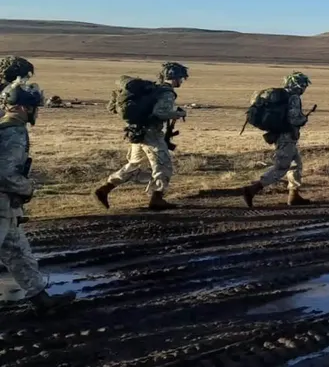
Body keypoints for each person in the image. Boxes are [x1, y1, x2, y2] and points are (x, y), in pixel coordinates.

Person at [0, 78, 76, 313]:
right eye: (34, 107)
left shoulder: (6, 127)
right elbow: (4, 173)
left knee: (18, 251)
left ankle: (40, 298)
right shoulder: (13, 131)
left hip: (6, 206)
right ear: (24, 107)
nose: (36, 112)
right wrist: (27, 188)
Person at [94, 62, 188, 211]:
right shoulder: (166, 92)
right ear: (174, 77)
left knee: (134, 164)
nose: (181, 81)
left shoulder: (154, 89)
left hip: (137, 133)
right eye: (181, 78)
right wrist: (179, 113)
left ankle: (105, 189)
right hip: (151, 135)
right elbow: (160, 113)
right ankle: (157, 198)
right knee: (163, 165)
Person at [241, 72, 313, 207]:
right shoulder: (293, 98)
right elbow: (294, 118)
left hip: (282, 135)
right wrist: (304, 119)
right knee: (282, 167)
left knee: (296, 164)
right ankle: (253, 189)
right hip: (286, 136)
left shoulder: (281, 96)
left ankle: (294, 195)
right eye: (303, 84)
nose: (304, 88)